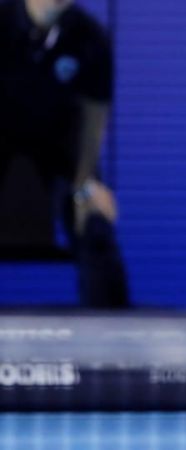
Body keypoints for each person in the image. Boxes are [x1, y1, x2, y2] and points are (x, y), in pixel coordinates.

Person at [0, 0, 128, 308]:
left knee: (94, 217)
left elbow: (94, 118)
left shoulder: (90, 36)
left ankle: (112, 339)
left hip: (59, 145)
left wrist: (85, 183)